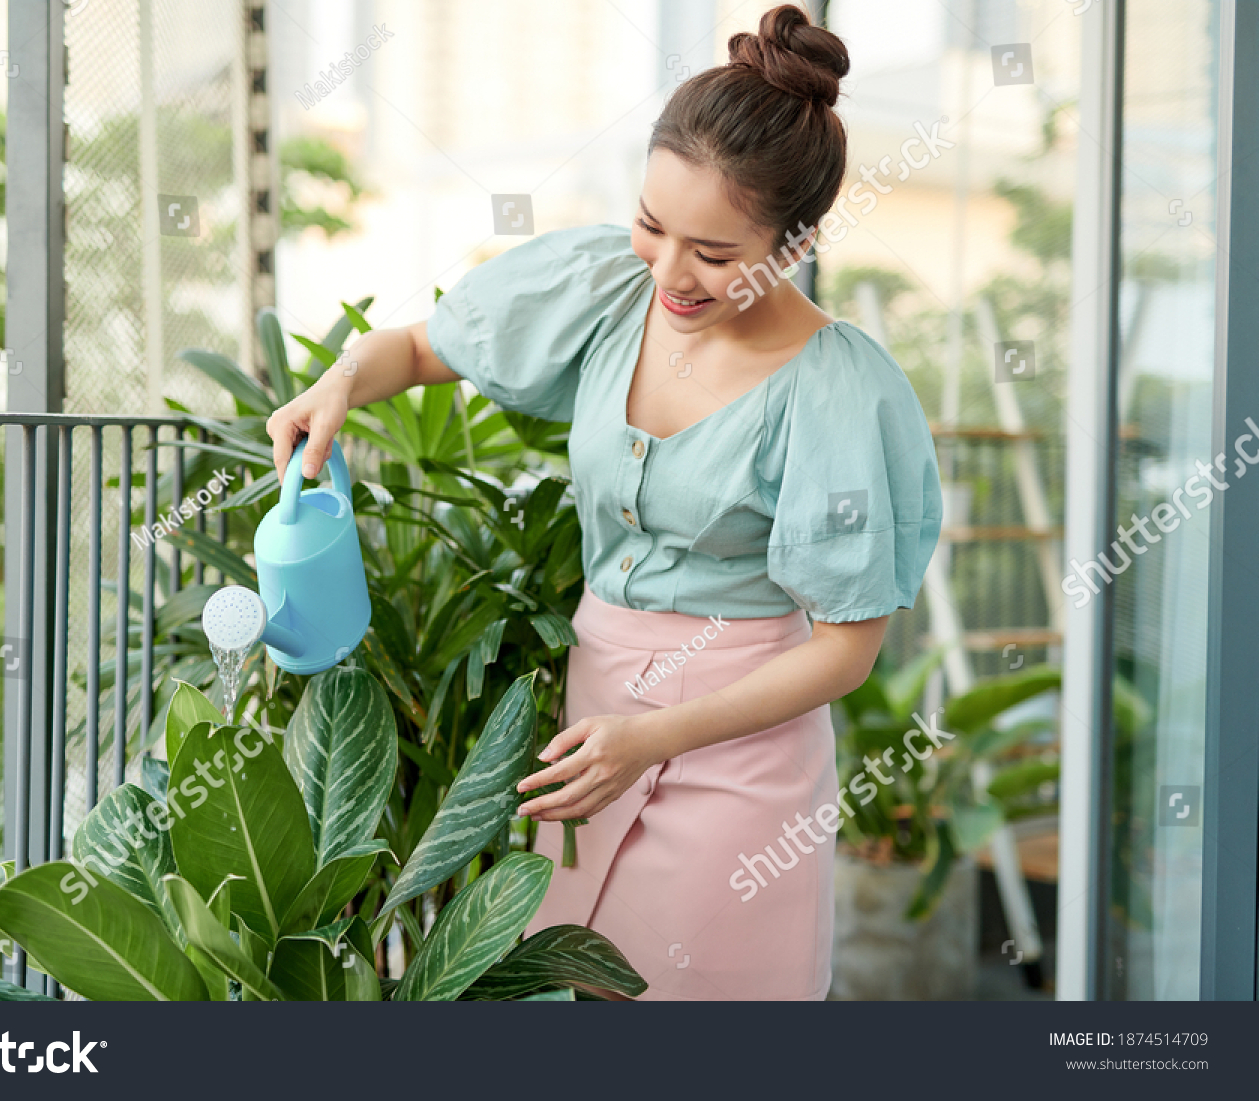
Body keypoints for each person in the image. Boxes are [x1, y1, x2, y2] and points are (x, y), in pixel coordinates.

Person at [264, 4, 942, 1000]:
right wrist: (336, 382)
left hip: (734, 751)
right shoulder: (607, 288)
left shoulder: (838, 389)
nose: (668, 271)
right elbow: (417, 348)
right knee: (564, 986)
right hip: (597, 719)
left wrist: (655, 738)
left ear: (793, 244)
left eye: (713, 253)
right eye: (653, 225)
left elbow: (847, 650)